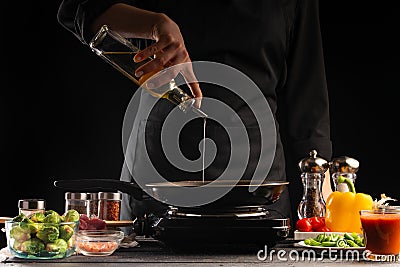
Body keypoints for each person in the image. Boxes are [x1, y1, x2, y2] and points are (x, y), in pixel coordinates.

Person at [57, 0, 332, 234]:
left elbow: (308, 104)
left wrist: (327, 201)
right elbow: (79, 9)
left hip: (260, 191)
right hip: (156, 182)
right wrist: (154, 24)